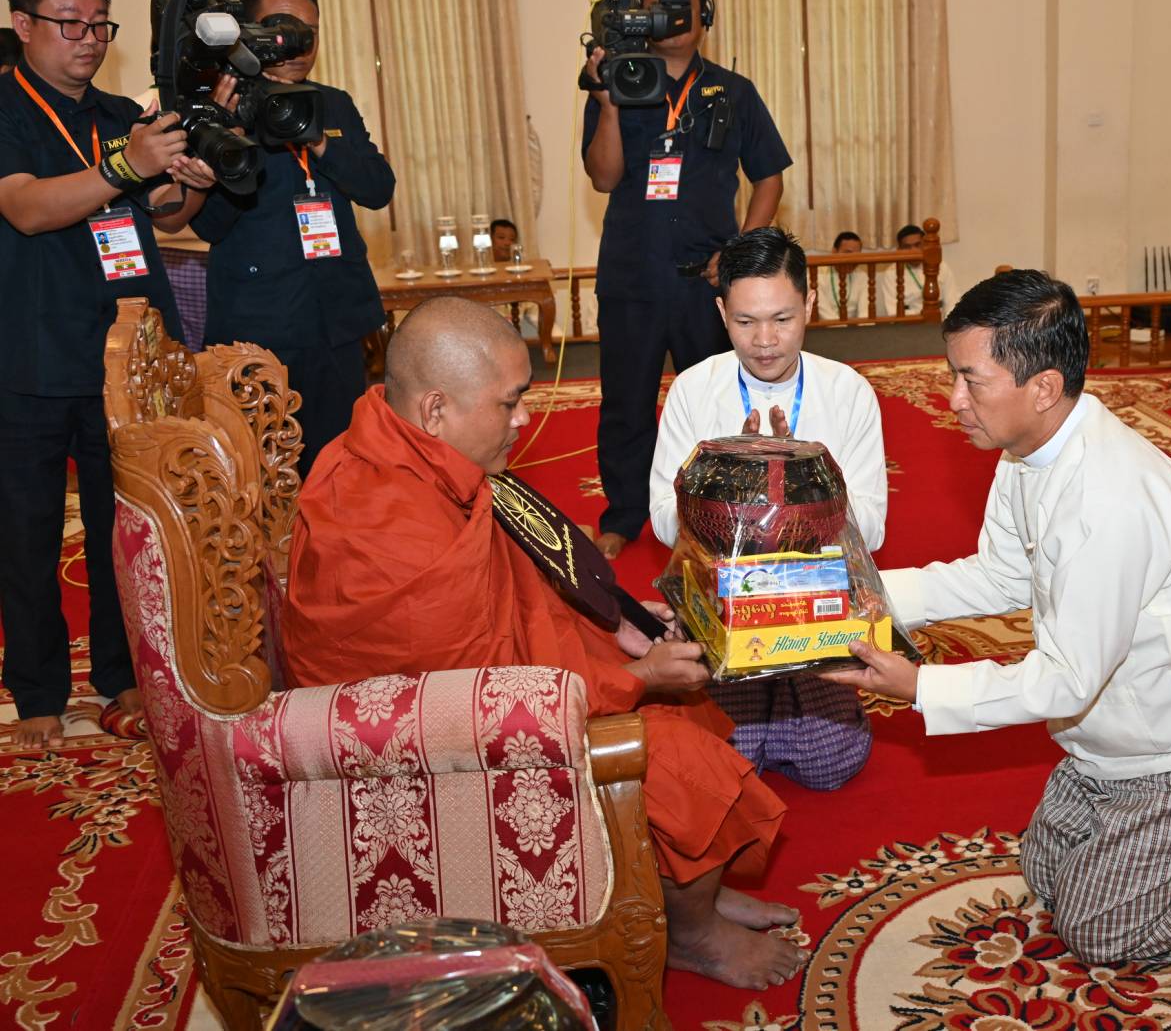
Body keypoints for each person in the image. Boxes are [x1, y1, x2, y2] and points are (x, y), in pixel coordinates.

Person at [282, 295, 808, 990]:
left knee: (686, 692)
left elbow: (511, 589)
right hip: (432, 752)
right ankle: (695, 934)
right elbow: (479, 704)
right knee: (683, 759)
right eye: (510, 403)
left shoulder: (401, 442)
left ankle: (690, 896)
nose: (525, 419)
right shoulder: (391, 527)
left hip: (496, 673)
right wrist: (639, 678)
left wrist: (614, 623)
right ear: (435, 410)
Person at [825, 269, 1171, 967]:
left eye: (972, 381)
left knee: (1099, 932)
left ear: (1043, 387)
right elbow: (1000, 575)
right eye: (954, 375)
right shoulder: (1031, 449)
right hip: (1120, 739)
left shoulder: (1106, 500)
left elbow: (1066, 681)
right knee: (1047, 874)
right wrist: (860, 593)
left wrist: (920, 687)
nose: (954, 400)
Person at [0, 0, 220, 749]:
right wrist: (129, 166)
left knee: (121, 527)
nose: (89, 40)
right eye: (71, 23)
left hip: (126, 359)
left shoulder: (121, 116)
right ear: (23, 23)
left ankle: (121, 671)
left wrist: (195, 179)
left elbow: (165, 214)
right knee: (26, 533)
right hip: (29, 355)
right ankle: (37, 691)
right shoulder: (7, 108)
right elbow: (27, 208)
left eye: (100, 24)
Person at [649, 227, 885, 790]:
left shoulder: (847, 391)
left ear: (810, 304)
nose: (764, 341)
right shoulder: (694, 389)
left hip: (815, 599)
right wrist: (732, 485)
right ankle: (764, 707)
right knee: (724, 762)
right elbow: (661, 517)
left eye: (782, 318)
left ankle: (792, 704)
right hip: (724, 599)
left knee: (829, 765)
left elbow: (873, 529)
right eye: (745, 321)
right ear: (720, 313)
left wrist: (796, 487)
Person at [582, 0, 791, 560]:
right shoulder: (618, 80)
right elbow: (603, 177)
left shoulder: (734, 91)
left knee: (716, 401)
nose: (672, 16)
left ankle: (722, 510)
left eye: (683, 5)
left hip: (708, 283)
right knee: (626, 404)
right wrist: (607, 102)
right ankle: (625, 513)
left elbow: (769, 178)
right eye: (658, 6)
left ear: (707, 15)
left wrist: (742, 254)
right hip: (632, 276)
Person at [190, 0, 395, 477]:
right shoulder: (221, 107)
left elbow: (377, 189)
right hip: (258, 329)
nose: (299, 45)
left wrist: (316, 139)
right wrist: (230, 135)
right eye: (282, 30)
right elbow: (209, 226)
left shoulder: (332, 103)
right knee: (263, 476)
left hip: (335, 318)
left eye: (311, 32)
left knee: (340, 467)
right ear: (247, 34)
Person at [878, 222, 954, 316]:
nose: (913, 251)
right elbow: (893, 312)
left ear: (925, 245)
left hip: (941, 319)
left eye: (918, 245)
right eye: (907, 247)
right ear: (899, 250)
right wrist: (923, 315)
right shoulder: (891, 273)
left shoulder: (941, 266)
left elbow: (952, 302)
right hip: (908, 323)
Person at [813, 230, 865, 320]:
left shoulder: (863, 276)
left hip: (853, 326)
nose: (853, 259)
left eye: (857, 255)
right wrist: (843, 327)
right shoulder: (817, 274)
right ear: (834, 251)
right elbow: (824, 313)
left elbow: (865, 314)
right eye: (848, 253)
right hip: (824, 326)